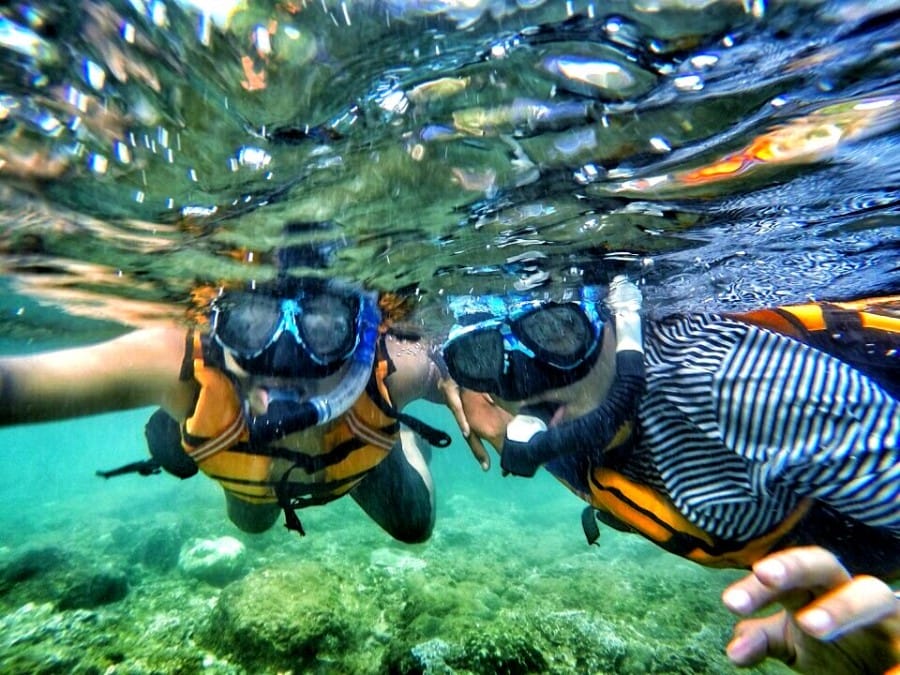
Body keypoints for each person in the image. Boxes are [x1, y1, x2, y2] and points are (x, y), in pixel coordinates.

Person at [0, 275, 460, 541]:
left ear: (360, 335)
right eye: (251, 322)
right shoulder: (181, 362)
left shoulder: (387, 374)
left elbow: (446, 364)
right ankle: (181, 428)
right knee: (251, 525)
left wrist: (475, 388)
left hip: (360, 444)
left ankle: (400, 437)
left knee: (414, 524)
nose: (284, 364)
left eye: (324, 327)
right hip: (233, 446)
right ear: (217, 325)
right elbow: (21, 386)